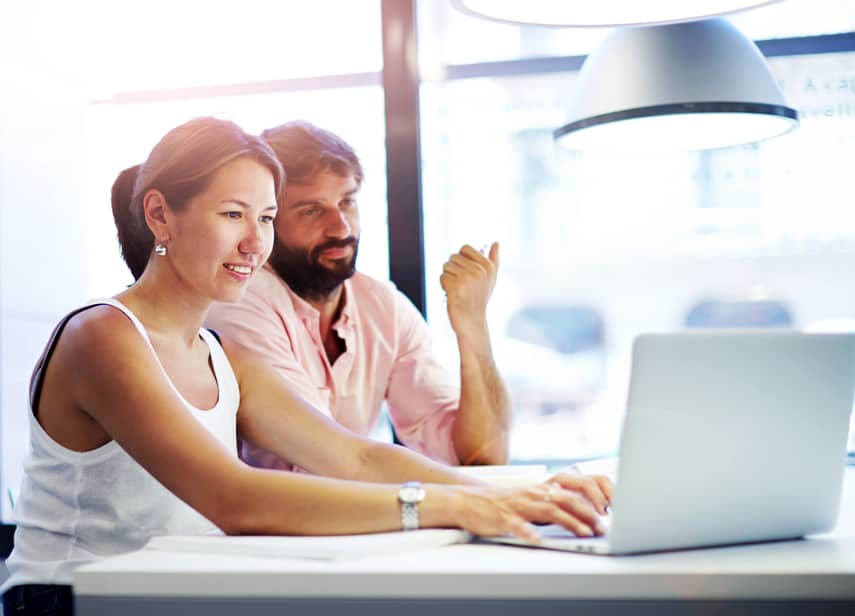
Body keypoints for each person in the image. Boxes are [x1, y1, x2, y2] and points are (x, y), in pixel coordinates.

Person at [1, 117, 610, 616]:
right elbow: (233, 498)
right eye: (233, 214)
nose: (254, 243)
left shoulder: (219, 353)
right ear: (160, 216)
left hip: (171, 589)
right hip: (72, 598)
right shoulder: (103, 336)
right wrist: (452, 506)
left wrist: (518, 494)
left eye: (265, 219)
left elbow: (355, 455)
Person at [206, 120, 511, 469]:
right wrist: (462, 499)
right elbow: (321, 461)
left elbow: (481, 457)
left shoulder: (383, 306)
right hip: (271, 523)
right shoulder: (242, 299)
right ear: (267, 219)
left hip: (355, 518)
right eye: (312, 210)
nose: (341, 227)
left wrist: (473, 327)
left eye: (348, 202)